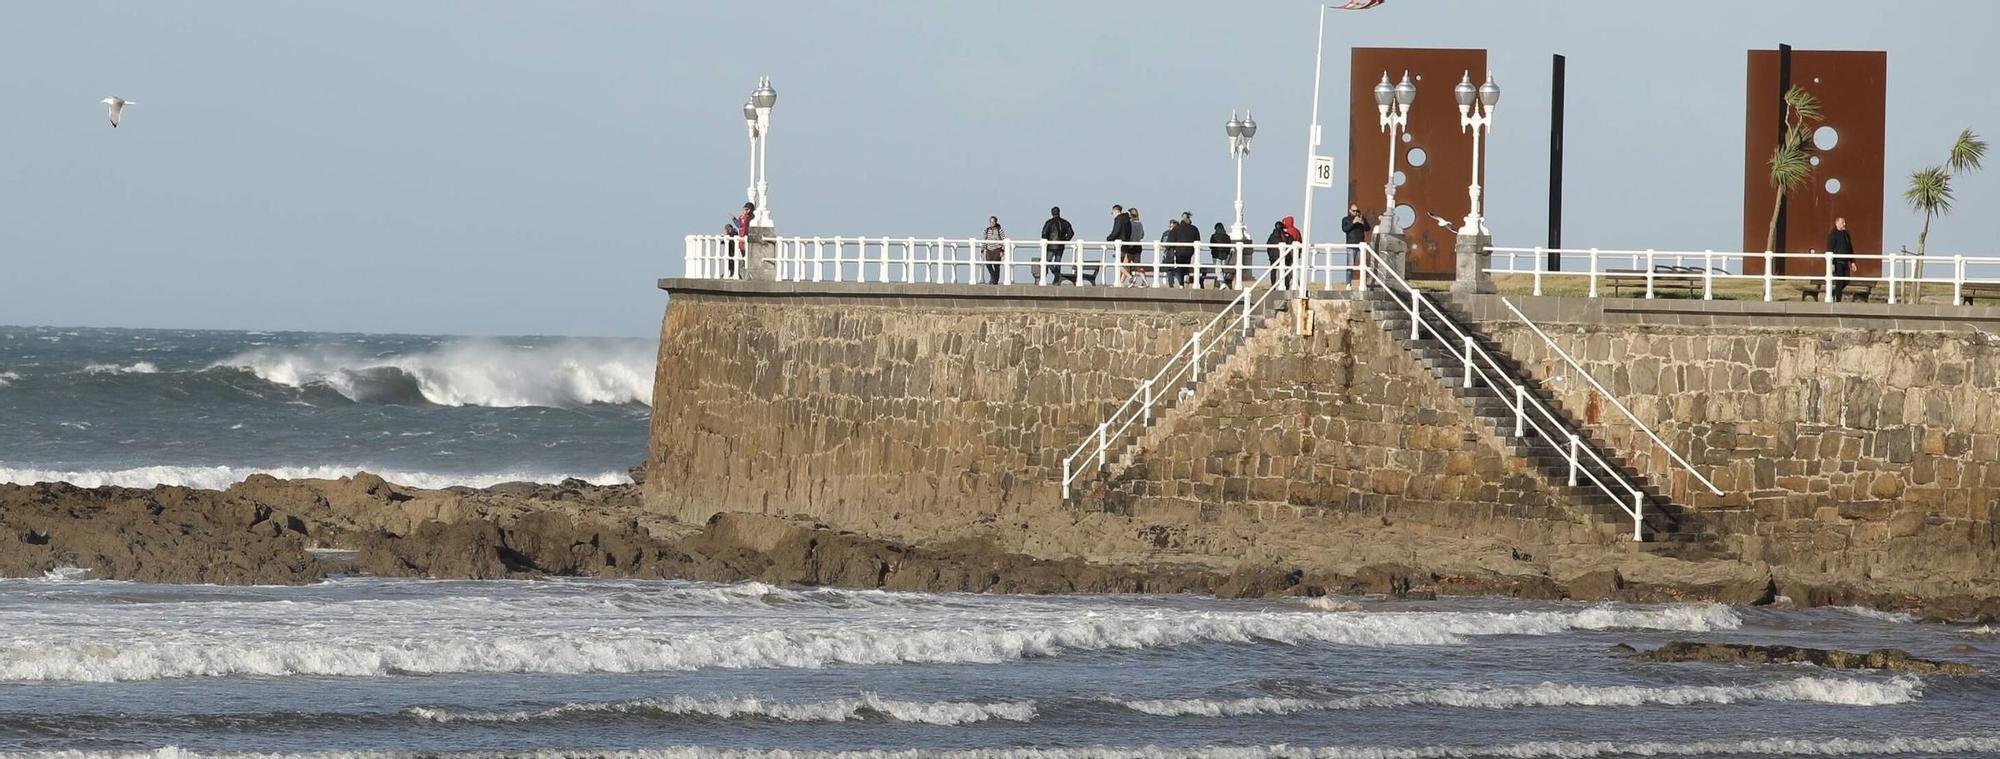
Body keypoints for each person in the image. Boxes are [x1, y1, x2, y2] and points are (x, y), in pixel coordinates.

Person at [1039, 206, 1075, 285]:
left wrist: (1046, 241)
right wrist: (1066, 240)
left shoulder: (1049, 222)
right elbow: (1071, 233)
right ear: (1059, 212)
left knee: (1047, 261)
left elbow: (1044, 233)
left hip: (1051, 245)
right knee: (1057, 261)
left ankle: (1056, 274)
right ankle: (1057, 278)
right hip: (1061, 246)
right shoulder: (1065, 222)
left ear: (1052, 213)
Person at [1828, 217, 1855, 301]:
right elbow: (1830, 249)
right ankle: (1837, 300)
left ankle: (1833, 293)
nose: (1844, 224)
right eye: (1842, 222)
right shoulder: (1833, 235)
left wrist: (1852, 262)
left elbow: (1850, 247)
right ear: (1837, 223)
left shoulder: (1846, 234)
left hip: (1845, 261)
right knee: (1839, 282)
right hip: (1837, 262)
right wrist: (1832, 263)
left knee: (1846, 281)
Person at [1104, 205, 1131, 287]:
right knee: (1123, 264)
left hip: (1120, 244)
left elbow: (1116, 231)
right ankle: (1119, 282)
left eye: (1112, 213)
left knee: (1118, 263)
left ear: (1116, 211)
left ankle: (1130, 277)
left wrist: (1109, 238)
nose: (1112, 215)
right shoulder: (1127, 220)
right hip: (1126, 243)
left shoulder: (1118, 219)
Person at [1174, 211, 1202, 287]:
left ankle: (1181, 284)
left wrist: (1170, 248)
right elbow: (1198, 240)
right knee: (1186, 265)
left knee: (1179, 267)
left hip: (1179, 251)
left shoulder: (1177, 228)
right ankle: (1186, 276)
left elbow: (1171, 239)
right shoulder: (1194, 229)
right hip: (1189, 252)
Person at [1267, 219, 1295, 290]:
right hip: (1285, 257)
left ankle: (1273, 286)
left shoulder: (1272, 236)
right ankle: (1286, 286)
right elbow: (1291, 244)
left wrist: (1270, 255)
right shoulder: (1287, 236)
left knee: (1273, 272)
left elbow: (1268, 246)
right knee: (1285, 271)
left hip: (1274, 257)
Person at [1209, 222, 1236, 288]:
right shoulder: (1227, 237)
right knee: (1222, 270)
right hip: (1225, 256)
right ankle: (1221, 284)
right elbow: (1228, 247)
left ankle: (1222, 283)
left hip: (1216, 255)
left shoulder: (1214, 236)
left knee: (1218, 270)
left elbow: (1211, 246)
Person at [1124, 208, 1146, 286]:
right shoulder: (1140, 224)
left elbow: (1129, 234)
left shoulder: (1130, 223)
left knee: (1124, 265)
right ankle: (1145, 281)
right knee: (1138, 265)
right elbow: (1142, 235)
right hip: (1138, 246)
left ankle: (1130, 278)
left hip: (1130, 246)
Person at [983, 216, 1006, 285]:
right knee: (988, 264)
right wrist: (982, 250)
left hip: (997, 249)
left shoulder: (999, 230)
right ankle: (993, 277)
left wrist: (1002, 250)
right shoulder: (986, 230)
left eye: (993, 222)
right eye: (990, 222)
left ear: (996, 222)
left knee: (996, 265)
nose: (991, 223)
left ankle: (995, 281)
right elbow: (984, 240)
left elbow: (1004, 240)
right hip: (989, 249)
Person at [1160, 219, 1182, 287]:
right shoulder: (1177, 233)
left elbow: (1162, 243)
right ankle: (1181, 284)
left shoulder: (1165, 233)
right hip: (1175, 252)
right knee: (1177, 270)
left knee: (1169, 269)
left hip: (1167, 253)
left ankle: (1171, 284)